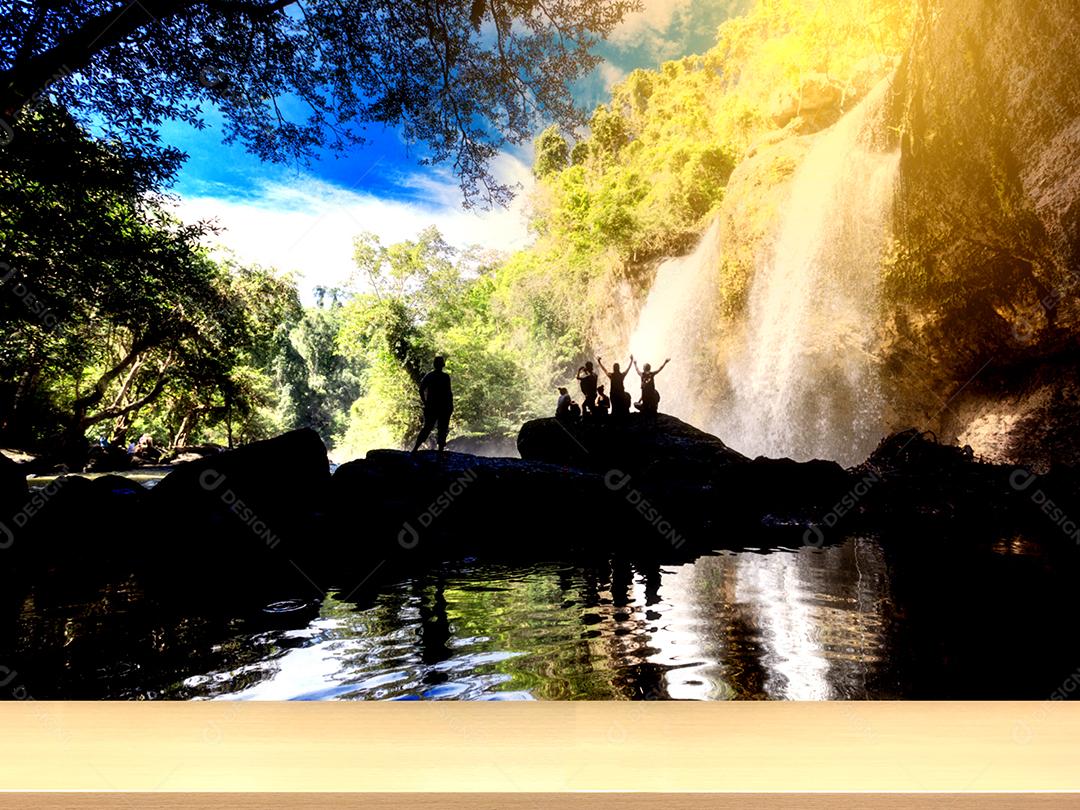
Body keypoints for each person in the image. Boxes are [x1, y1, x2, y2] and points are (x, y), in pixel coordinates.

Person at [411, 356, 454, 453]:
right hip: (442, 407)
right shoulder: (444, 377)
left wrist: (425, 402)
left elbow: (421, 389)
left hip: (434, 406)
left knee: (428, 428)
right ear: (442, 365)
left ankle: (415, 450)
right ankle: (439, 452)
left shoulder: (430, 376)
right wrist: (450, 406)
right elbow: (449, 393)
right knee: (441, 429)